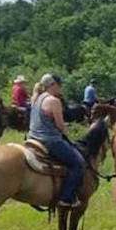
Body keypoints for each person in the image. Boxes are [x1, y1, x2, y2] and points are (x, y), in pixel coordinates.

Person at [28, 74, 86, 208]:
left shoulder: (36, 98)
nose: (61, 88)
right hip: (49, 141)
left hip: (33, 138)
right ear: (53, 85)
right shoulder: (53, 101)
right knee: (78, 163)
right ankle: (66, 198)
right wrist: (68, 133)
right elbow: (60, 126)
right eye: (60, 85)